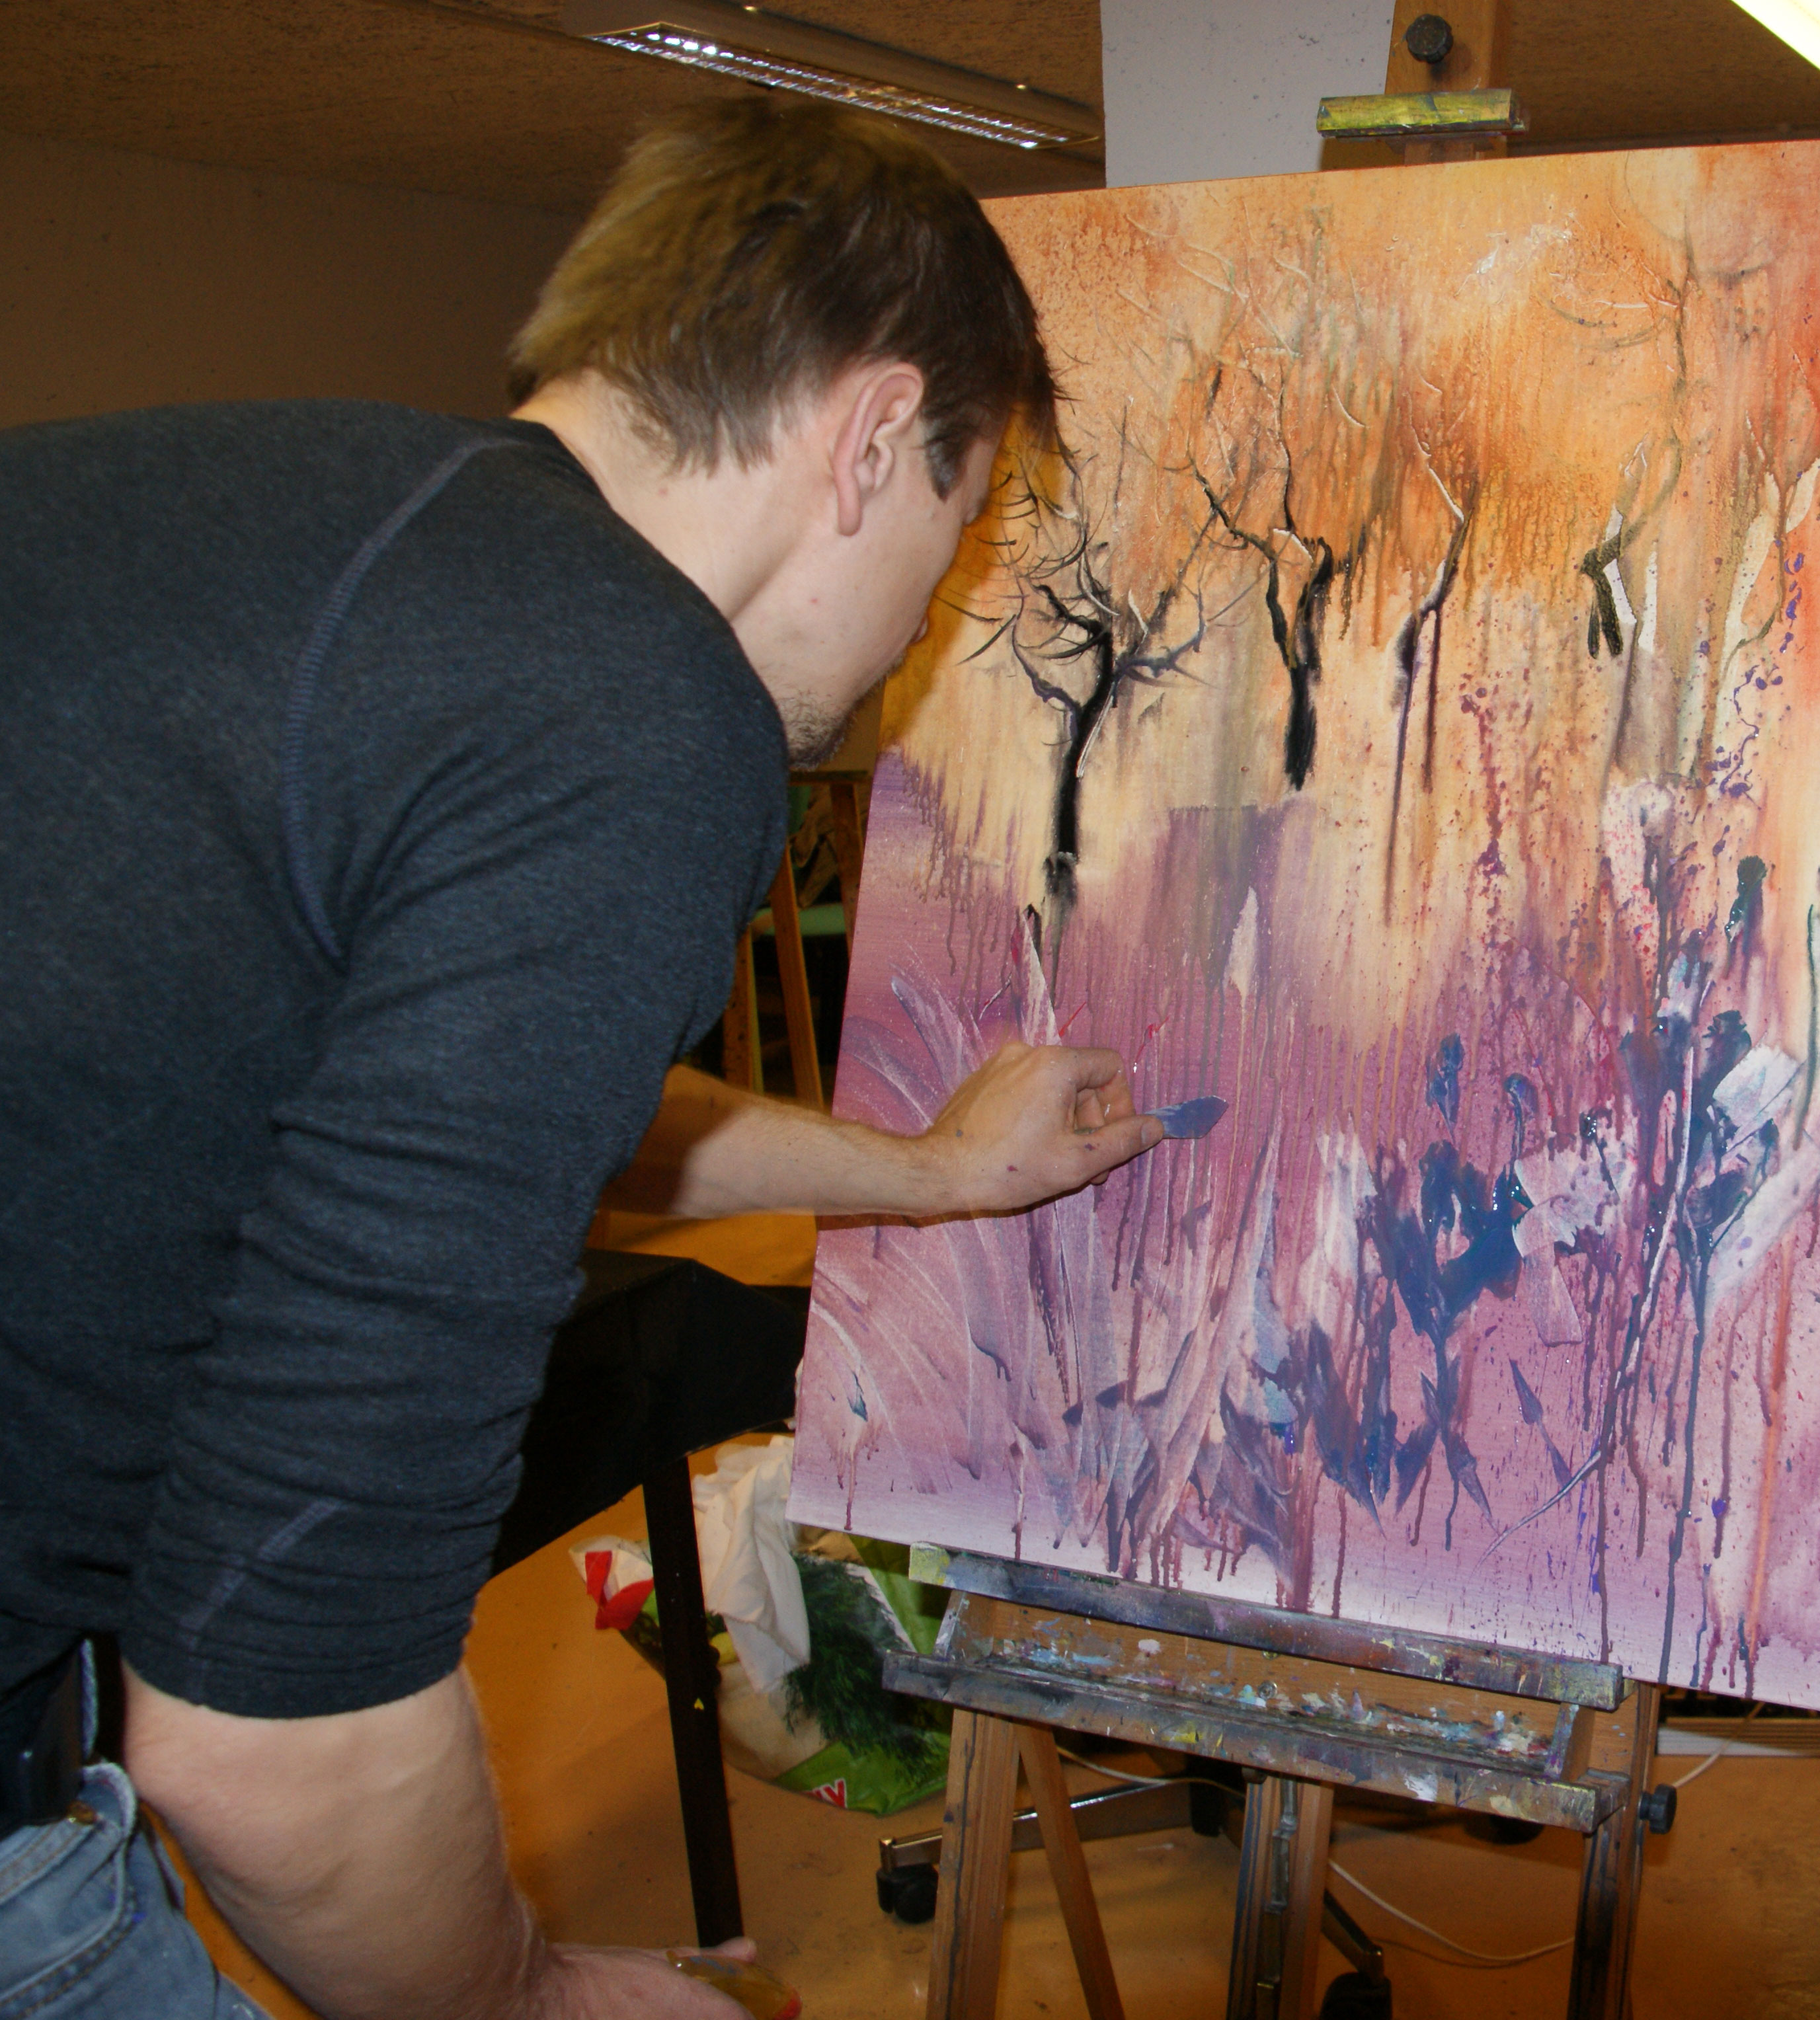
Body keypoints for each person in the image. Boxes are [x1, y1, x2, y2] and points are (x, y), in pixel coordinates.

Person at [0, 98, 1164, 2018]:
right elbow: (274, 1720)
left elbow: (446, 1113)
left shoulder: (283, 525)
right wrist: (526, 1995)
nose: (929, 623)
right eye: (958, 534)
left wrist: (939, 1174)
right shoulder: (637, 702)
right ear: (874, 434)